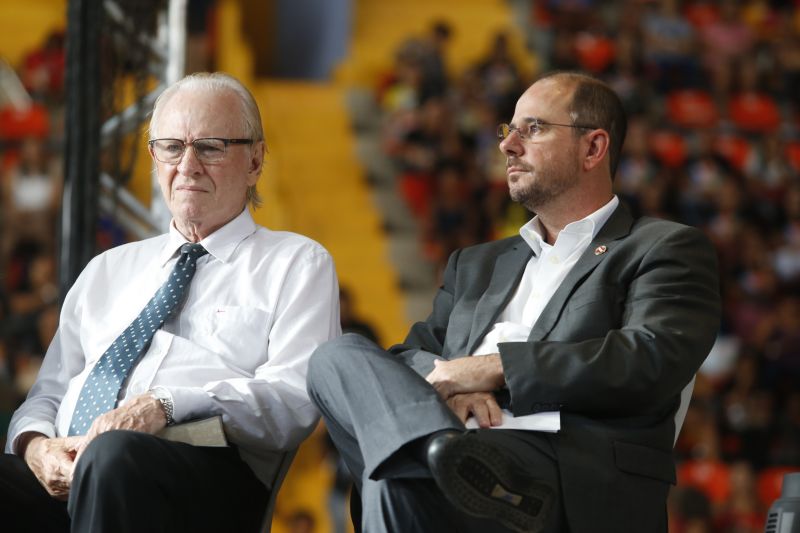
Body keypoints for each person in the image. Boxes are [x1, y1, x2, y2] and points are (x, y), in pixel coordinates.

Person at [307, 71, 721, 533]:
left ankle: (428, 458)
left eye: (535, 128)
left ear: (593, 148)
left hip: (561, 476)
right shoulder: (476, 264)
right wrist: (446, 389)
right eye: (509, 129)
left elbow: (649, 357)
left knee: (391, 477)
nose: (507, 145)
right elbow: (407, 356)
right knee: (334, 356)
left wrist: (493, 368)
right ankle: (431, 450)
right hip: (453, 456)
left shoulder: (662, 247)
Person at [0, 72, 341, 533]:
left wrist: (164, 404)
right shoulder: (107, 269)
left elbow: (293, 401)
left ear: (256, 161)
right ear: (154, 158)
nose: (188, 165)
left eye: (211, 146)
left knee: (114, 454)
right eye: (172, 147)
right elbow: (48, 393)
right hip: (73, 469)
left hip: (202, 475)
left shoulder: (296, 263)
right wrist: (37, 447)